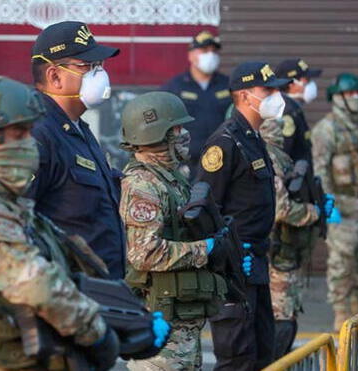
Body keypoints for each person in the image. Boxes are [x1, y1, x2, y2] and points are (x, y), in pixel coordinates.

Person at [0, 75, 121, 370]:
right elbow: (35, 284)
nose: (29, 144)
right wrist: (96, 332)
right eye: (18, 134)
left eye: (30, 132)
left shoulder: (9, 204)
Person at [120, 91, 248, 370]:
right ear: (156, 134)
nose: (185, 134)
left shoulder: (174, 179)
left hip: (183, 322)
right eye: (177, 128)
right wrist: (207, 250)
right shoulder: (143, 185)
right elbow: (145, 253)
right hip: (162, 326)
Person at [195, 62, 290, 371]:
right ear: (246, 96)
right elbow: (205, 210)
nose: (277, 96)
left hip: (257, 262)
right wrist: (224, 258)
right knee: (237, 358)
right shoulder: (225, 142)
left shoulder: (253, 137)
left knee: (263, 353)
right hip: (234, 268)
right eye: (268, 90)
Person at [27, 21, 126, 279]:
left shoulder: (77, 128)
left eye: (99, 66)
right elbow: (16, 225)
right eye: (87, 66)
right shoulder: (38, 134)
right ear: (55, 76)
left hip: (102, 293)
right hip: (70, 296)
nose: (99, 74)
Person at [312, 73, 358, 331]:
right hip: (345, 206)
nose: (356, 97)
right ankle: (341, 313)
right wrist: (328, 204)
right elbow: (320, 170)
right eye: (351, 93)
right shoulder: (327, 128)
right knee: (342, 263)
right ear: (338, 97)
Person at [259, 117, 325, 358]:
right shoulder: (270, 159)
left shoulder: (273, 156)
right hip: (275, 250)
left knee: (284, 314)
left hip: (281, 248)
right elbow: (281, 209)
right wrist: (313, 212)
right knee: (282, 314)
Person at [161, 30, 231, 177]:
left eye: (214, 51)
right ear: (191, 55)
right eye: (204, 50)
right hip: (187, 164)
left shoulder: (227, 85)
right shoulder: (176, 86)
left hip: (222, 161)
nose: (210, 55)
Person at [275, 58, 322, 164]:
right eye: (307, 80)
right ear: (291, 84)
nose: (312, 84)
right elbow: (284, 154)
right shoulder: (286, 112)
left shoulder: (294, 108)